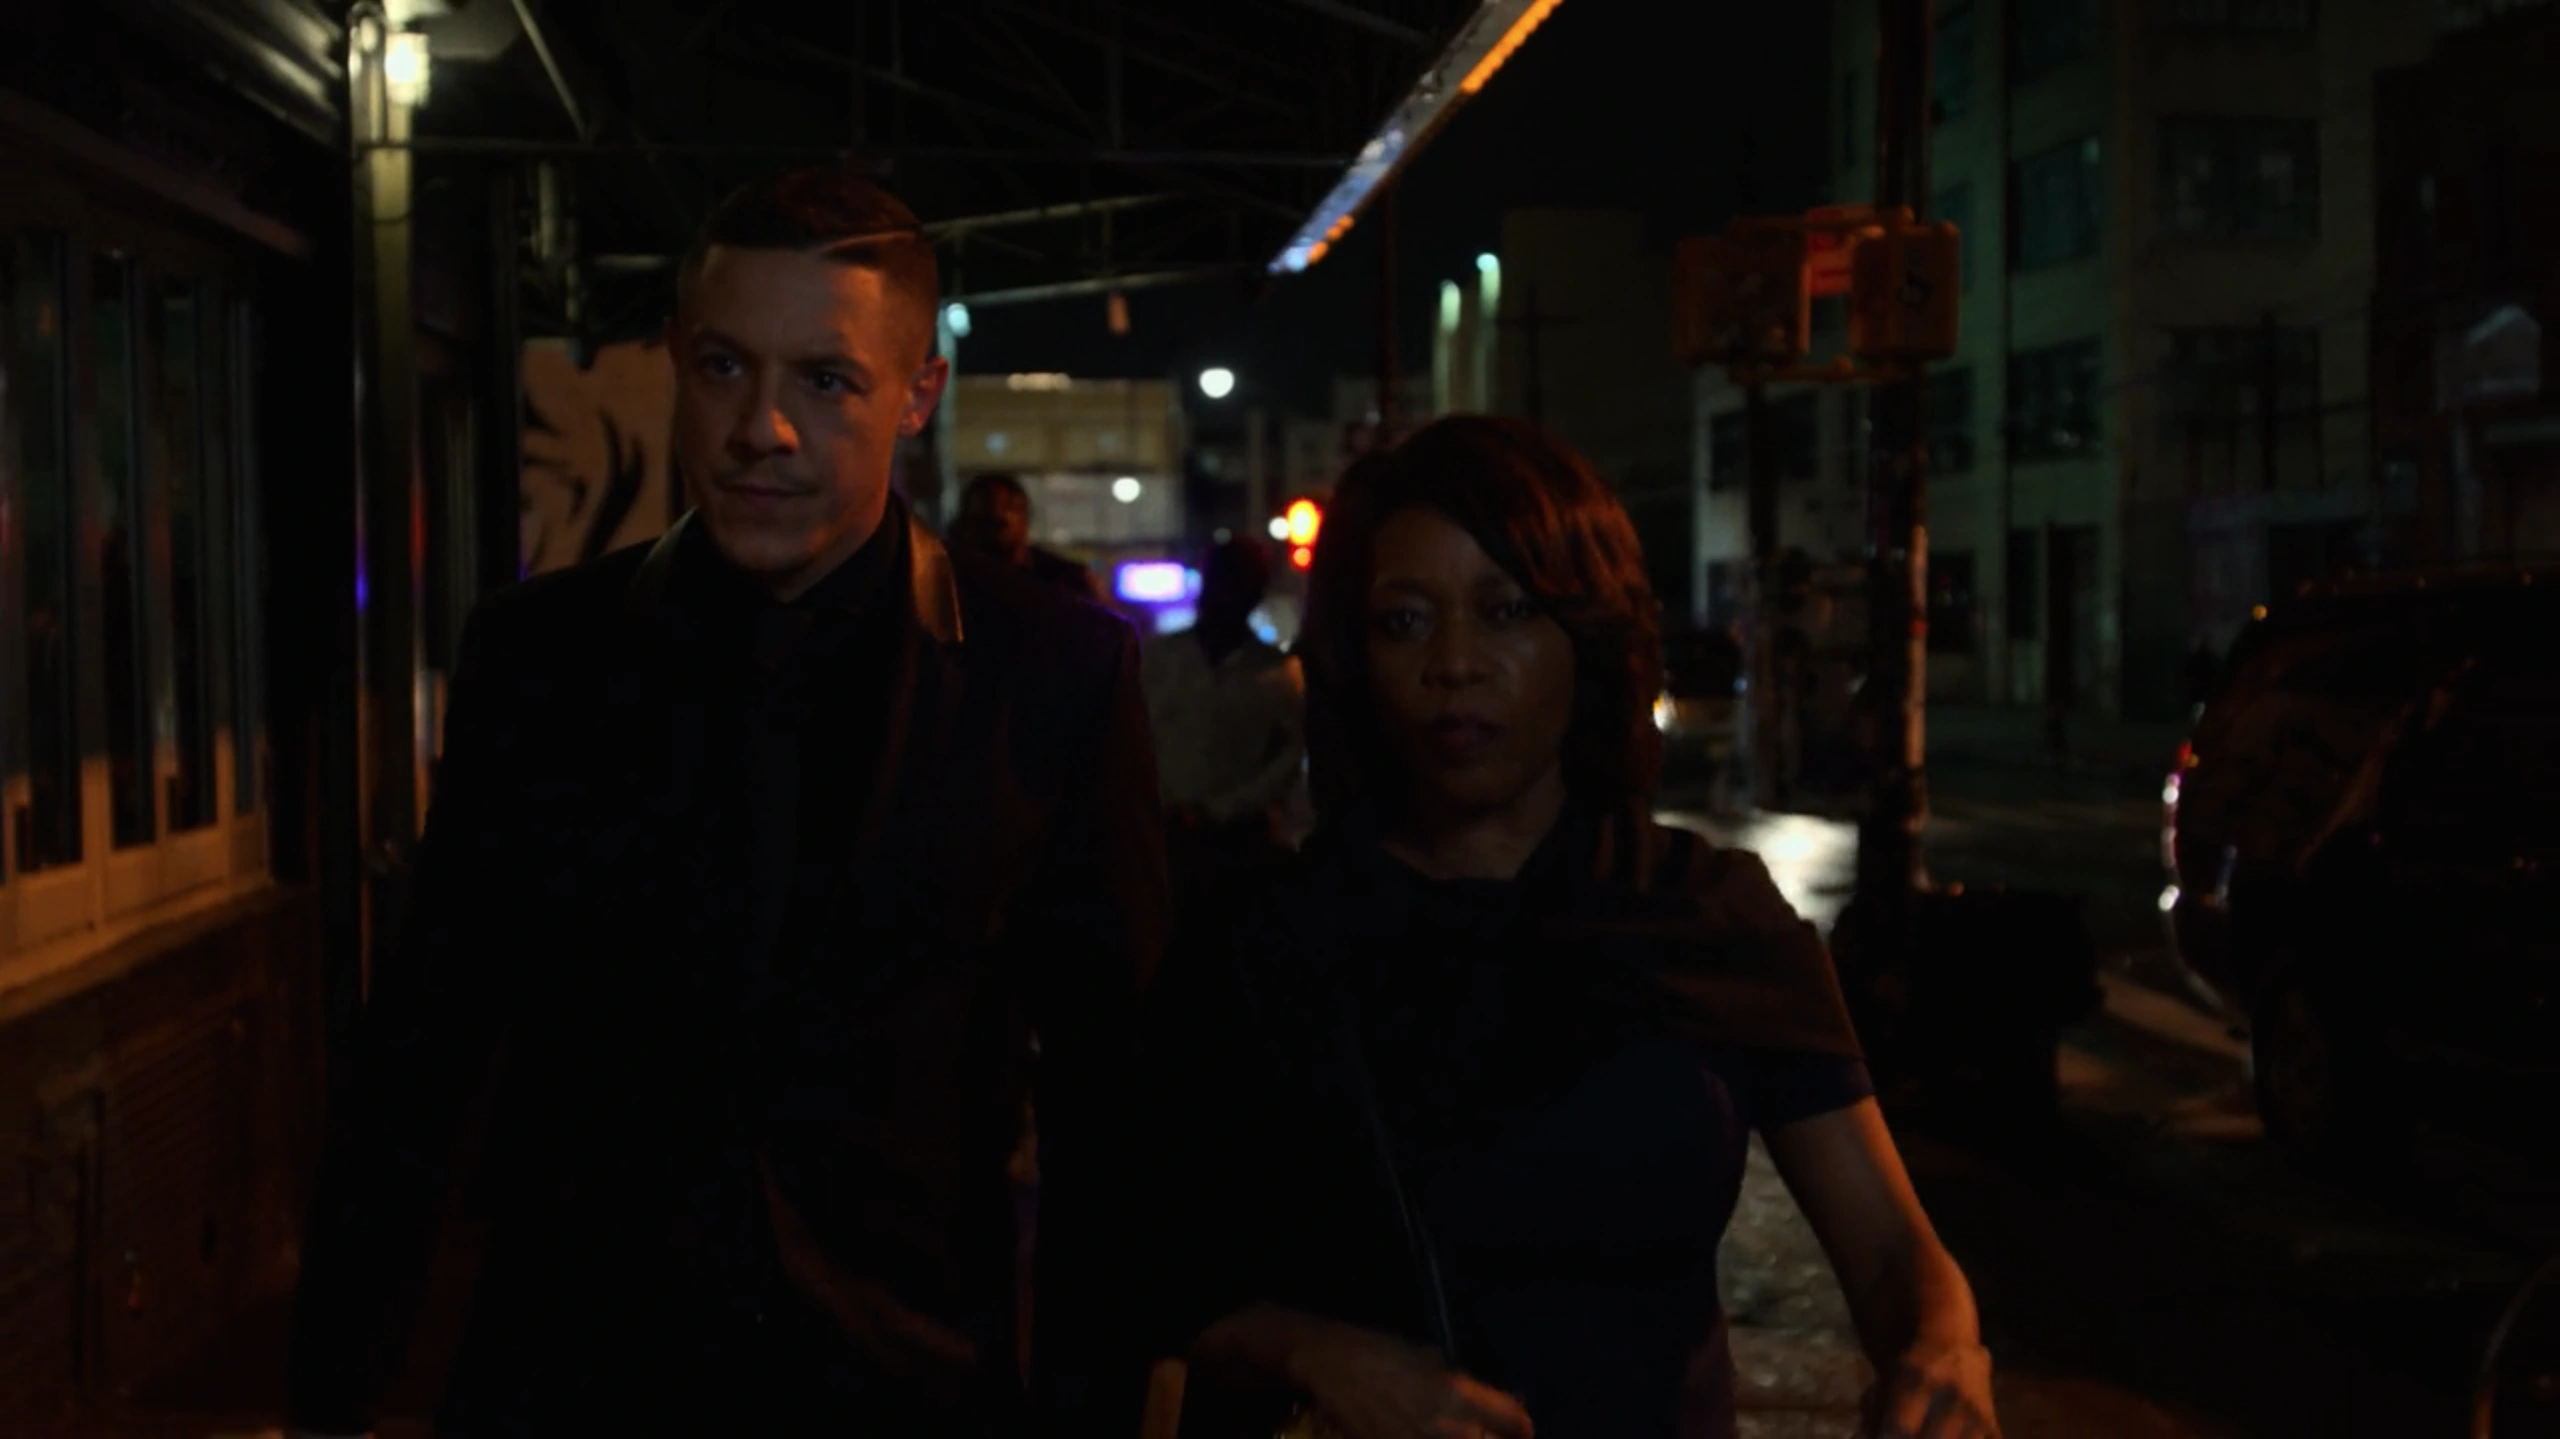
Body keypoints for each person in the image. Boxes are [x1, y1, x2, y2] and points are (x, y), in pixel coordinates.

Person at [285, 162, 1168, 1436]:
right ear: (675, 361)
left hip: (904, 1389)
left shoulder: (1054, 676)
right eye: (723, 368)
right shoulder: (539, 659)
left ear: (918, 392)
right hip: (573, 1384)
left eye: (825, 379)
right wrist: (336, 1393)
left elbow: (1111, 1108)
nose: (763, 427)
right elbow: (425, 1047)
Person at [1137, 416, 1998, 1439]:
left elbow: (1893, 1255)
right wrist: (1317, 1355)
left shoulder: (1708, 913)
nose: (1454, 663)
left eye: (1506, 610)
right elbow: (1146, 1263)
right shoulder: (1265, 938)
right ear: (1353, 655)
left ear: (1587, 637)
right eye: (1404, 621)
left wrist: (1944, 1353)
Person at [1141, 535, 1305, 862]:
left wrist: (1221, 810)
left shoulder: (1279, 672)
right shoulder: (1158, 659)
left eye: (1238, 583)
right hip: (1162, 834)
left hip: (1240, 842)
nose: (1226, 595)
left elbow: (1287, 758)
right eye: (1222, 581)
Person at [953, 471, 1106, 602]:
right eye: (981, 520)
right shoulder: (953, 581)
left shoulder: (1066, 580)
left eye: (997, 523)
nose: (988, 532)